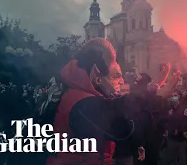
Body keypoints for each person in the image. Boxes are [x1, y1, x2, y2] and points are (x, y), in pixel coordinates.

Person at [46, 38, 179, 165]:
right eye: (116, 76)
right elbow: (126, 129)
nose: (122, 81)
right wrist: (160, 99)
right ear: (96, 74)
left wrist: (151, 90)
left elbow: (120, 106)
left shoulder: (82, 95)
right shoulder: (82, 104)